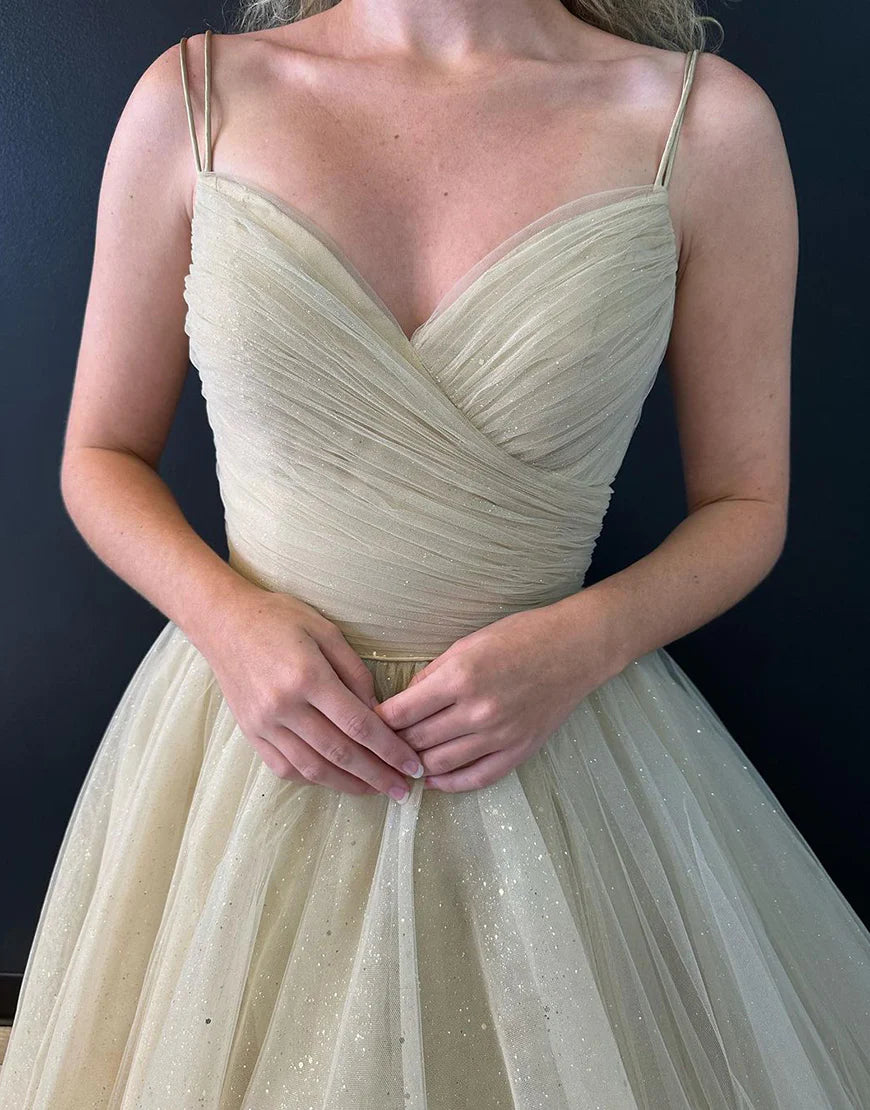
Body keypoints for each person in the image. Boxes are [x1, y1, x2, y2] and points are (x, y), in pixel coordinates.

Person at [2, 2, 868, 1107]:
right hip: (249, 737)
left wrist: (584, 643)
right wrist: (227, 622)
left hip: (554, 740)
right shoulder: (198, 100)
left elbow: (747, 503)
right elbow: (100, 456)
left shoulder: (701, 126)